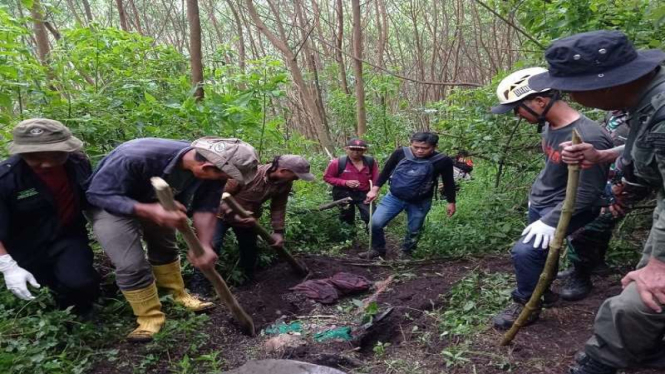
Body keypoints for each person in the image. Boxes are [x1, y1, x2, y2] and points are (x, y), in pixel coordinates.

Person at [529, 30, 665, 374]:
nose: (567, 96)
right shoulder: (646, 100)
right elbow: (649, 145)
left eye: (570, 87)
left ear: (602, 85)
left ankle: (600, 363)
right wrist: (604, 154)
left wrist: (660, 264)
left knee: (645, 296)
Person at [86, 137, 258, 342]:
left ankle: (178, 294)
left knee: (166, 248)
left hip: (160, 202)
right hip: (110, 206)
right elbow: (96, 194)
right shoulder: (133, 156)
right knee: (131, 264)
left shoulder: (215, 171)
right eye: (225, 176)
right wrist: (147, 210)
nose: (227, 180)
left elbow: (207, 207)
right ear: (206, 166)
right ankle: (149, 317)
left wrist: (203, 245)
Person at [489, 67, 613, 330]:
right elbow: (553, 167)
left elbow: (589, 192)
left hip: (567, 207)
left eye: (518, 108)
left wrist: (550, 220)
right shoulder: (548, 125)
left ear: (540, 101)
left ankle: (526, 303)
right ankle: (543, 292)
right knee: (543, 255)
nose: (517, 115)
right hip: (543, 201)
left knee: (524, 252)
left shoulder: (587, 136)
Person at [0, 119, 100, 315]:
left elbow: (92, 200)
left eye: (54, 156)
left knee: (80, 284)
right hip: (24, 246)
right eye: (34, 157)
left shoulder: (78, 163)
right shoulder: (6, 179)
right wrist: (8, 266)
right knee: (39, 293)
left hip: (67, 237)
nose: (45, 163)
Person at [214, 155, 315, 279]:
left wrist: (278, 231)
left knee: (249, 250)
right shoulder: (249, 174)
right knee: (212, 245)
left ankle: (248, 280)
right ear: (283, 171)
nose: (297, 180)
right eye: (296, 176)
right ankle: (200, 284)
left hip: (247, 218)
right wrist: (232, 213)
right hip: (219, 215)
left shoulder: (285, 184)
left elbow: (278, 207)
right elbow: (218, 195)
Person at [360, 132, 457, 259]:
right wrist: (375, 189)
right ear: (410, 143)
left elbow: (448, 182)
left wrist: (451, 202)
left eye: (424, 148)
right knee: (375, 223)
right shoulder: (400, 153)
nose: (419, 151)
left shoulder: (443, 160)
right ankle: (378, 248)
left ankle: (407, 252)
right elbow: (386, 171)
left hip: (420, 201)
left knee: (414, 229)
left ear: (435, 147)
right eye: (415, 147)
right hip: (394, 197)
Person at [323, 139, 379, 228]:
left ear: (364, 150)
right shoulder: (337, 163)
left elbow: (376, 178)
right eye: (352, 149)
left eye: (359, 149)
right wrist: (345, 182)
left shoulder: (370, 162)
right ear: (346, 149)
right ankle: (349, 240)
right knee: (346, 219)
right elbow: (327, 177)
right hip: (343, 194)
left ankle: (375, 240)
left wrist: (374, 191)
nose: (356, 152)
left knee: (372, 217)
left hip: (364, 194)